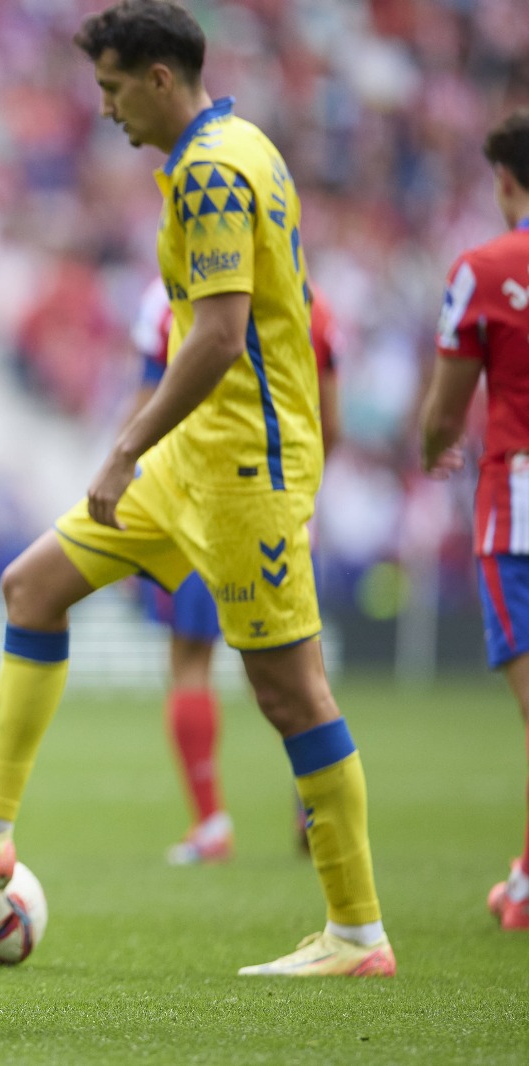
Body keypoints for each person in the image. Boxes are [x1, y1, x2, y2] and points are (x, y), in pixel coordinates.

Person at [0, 0, 393, 977]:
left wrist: (121, 448)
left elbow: (219, 334)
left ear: (159, 78)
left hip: (242, 470)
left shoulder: (209, 170)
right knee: (33, 587)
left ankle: (357, 933)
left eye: (112, 89)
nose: (106, 110)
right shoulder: (243, 143)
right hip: (193, 466)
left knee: (290, 693)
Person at [125, 278, 343, 865]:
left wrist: (126, 482)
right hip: (281, 507)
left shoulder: (168, 295)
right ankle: (318, 807)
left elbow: (147, 405)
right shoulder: (309, 301)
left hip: (193, 501)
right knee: (303, 675)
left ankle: (210, 824)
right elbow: (332, 423)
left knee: (191, 660)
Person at [418, 108, 529, 932]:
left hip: (518, 508)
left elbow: (445, 409)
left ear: (504, 182)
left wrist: (434, 445)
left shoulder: (487, 268)